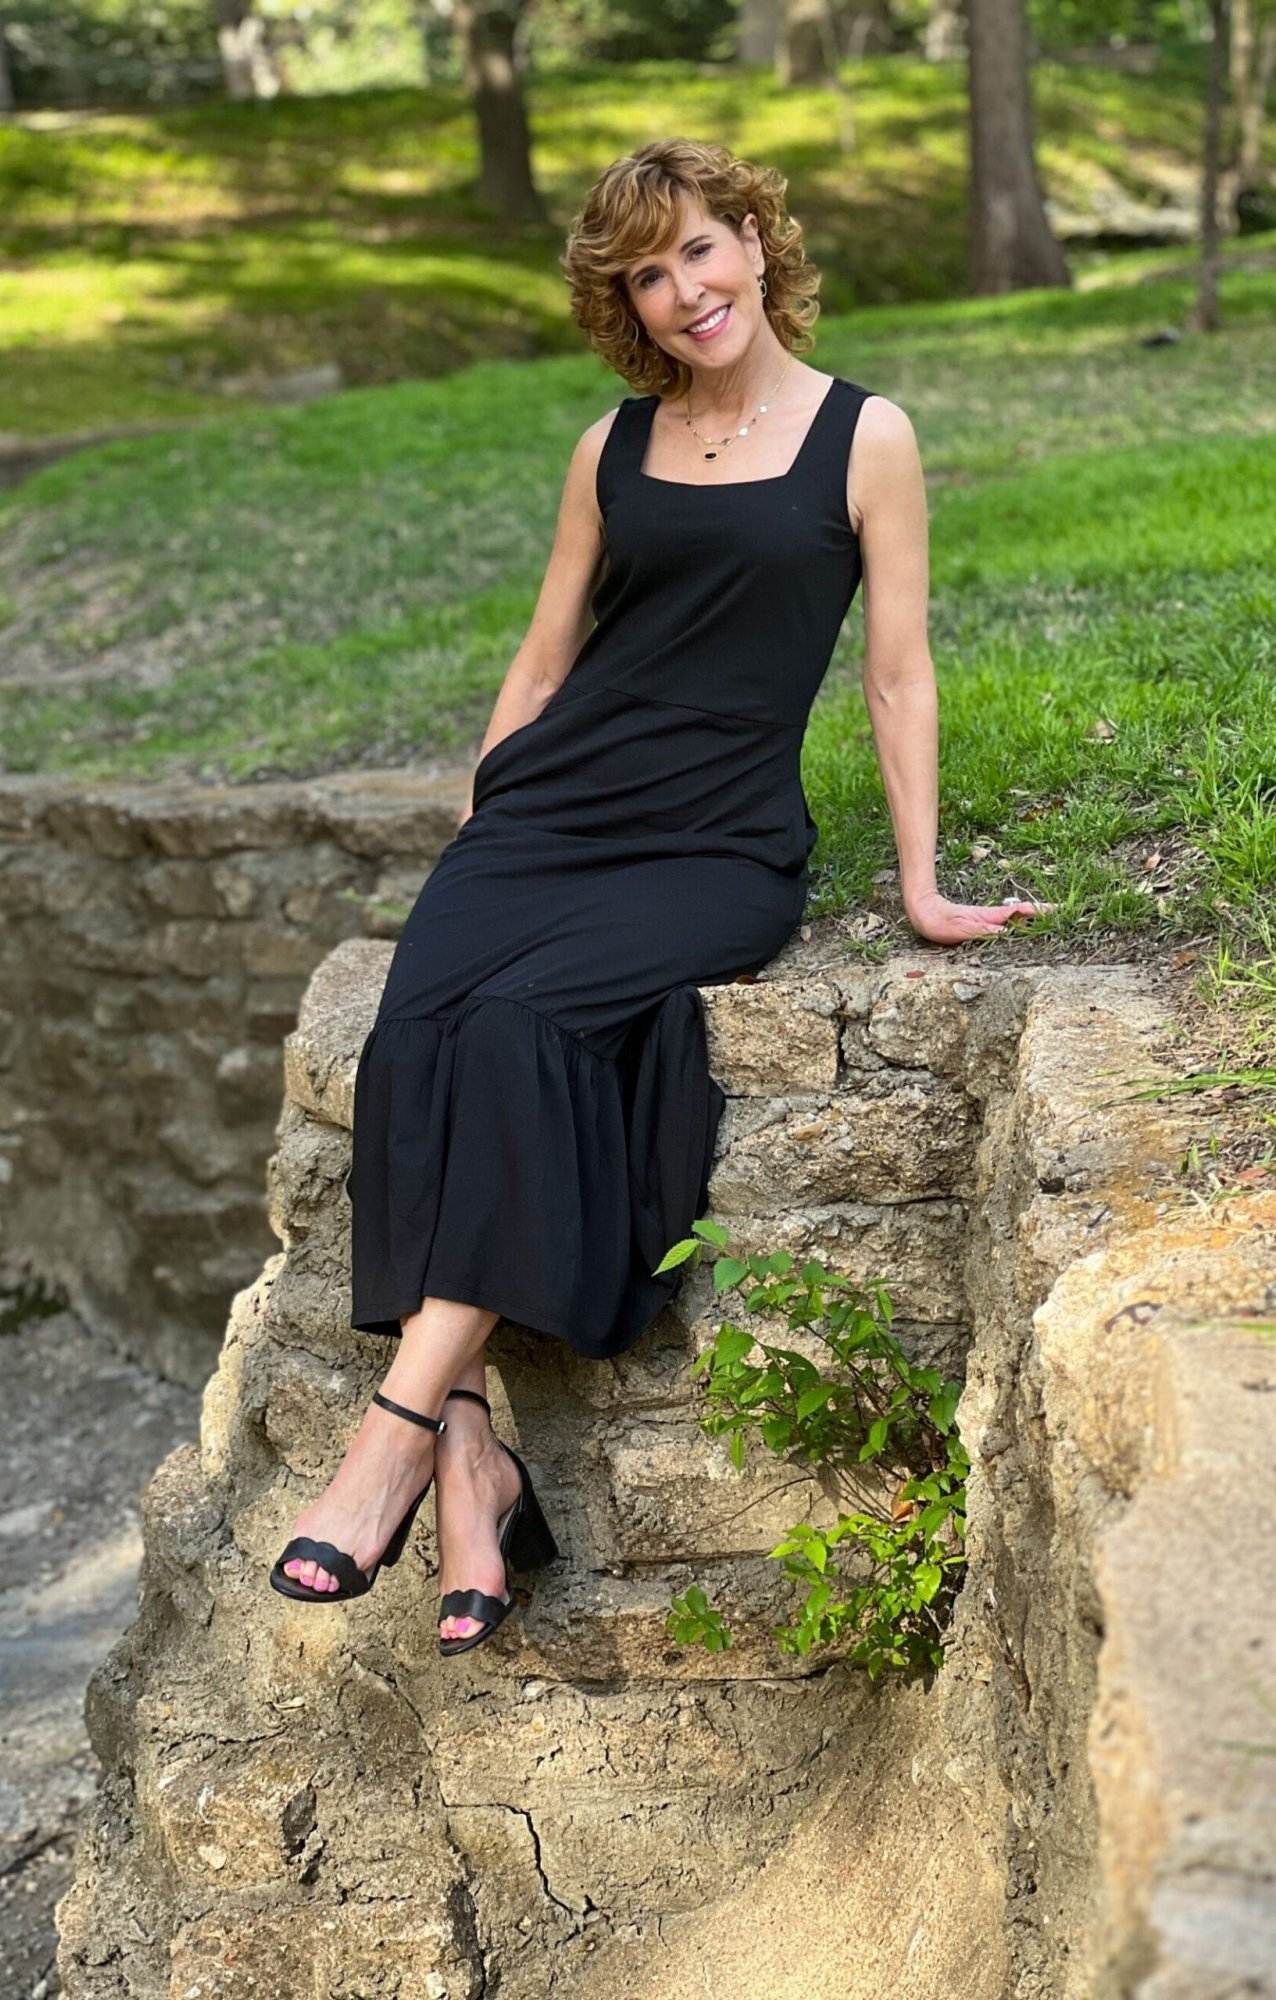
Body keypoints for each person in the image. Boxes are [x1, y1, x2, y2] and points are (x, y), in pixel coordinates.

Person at [269, 137, 1050, 1653]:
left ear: (756, 242)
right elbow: (548, 654)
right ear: (625, 300)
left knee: (524, 1029)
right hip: (553, 813)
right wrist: (493, 798)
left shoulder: (863, 437)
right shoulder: (609, 451)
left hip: (714, 839)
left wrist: (923, 884)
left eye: (702, 248)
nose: (686, 289)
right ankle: (477, 1462)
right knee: (416, 1036)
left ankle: (395, 1435)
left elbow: (897, 673)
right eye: (649, 271)